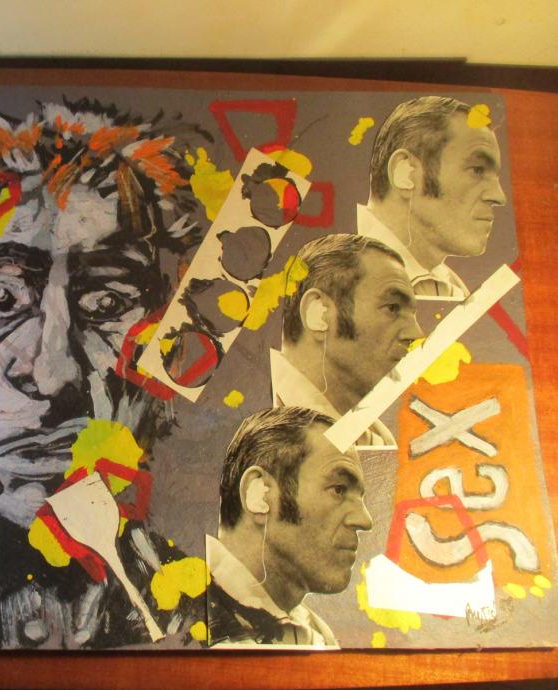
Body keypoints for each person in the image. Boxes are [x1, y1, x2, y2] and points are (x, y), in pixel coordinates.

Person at [0, 100, 210, 648]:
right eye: (0, 297)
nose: (53, 376)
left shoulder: (205, 623)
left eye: (107, 302)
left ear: (172, 348)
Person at [208, 406, 373, 646]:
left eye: (360, 496)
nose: (365, 520)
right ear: (260, 494)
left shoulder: (312, 631)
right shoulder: (177, 622)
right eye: (339, 489)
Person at [273, 233, 422, 446]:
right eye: (392, 308)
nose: (416, 335)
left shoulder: (376, 440)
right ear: (319, 313)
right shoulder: (252, 422)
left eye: (412, 314)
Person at [358, 96, 507, 300]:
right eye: (477, 170)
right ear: (406, 173)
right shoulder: (336, 276)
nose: (499, 196)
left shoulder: (451, 287)